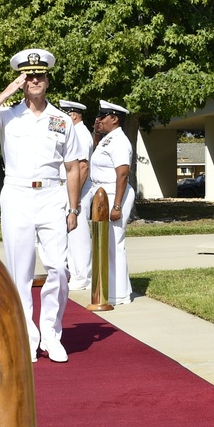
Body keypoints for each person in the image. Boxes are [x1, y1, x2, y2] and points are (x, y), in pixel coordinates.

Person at [0, 49, 83, 363]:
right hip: (17, 194)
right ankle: (27, 337)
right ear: (22, 79)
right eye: (29, 76)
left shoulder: (60, 120)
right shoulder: (7, 114)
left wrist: (73, 208)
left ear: (47, 80)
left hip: (51, 196)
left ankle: (51, 334)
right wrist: (7, 91)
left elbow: (72, 167)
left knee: (59, 267)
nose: (34, 81)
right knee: (20, 271)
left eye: (40, 76)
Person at [89, 100, 135, 305]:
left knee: (114, 242)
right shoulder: (108, 139)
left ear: (114, 119)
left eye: (102, 116)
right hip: (102, 192)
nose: (98, 120)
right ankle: (109, 287)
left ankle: (120, 293)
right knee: (104, 243)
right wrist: (97, 132)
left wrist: (117, 206)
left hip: (114, 192)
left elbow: (122, 174)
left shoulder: (119, 141)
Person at [59, 100, 94, 291]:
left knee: (78, 235)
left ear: (73, 115)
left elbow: (82, 167)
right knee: (71, 234)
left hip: (78, 190)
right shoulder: (74, 131)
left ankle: (83, 277)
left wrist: (75, 197)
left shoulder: (80, 133)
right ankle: (75, 273)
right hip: (70, 189)